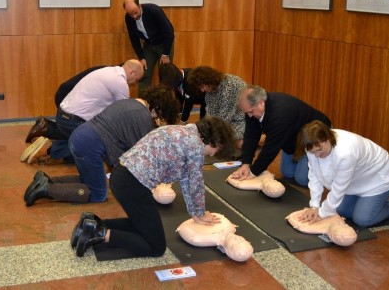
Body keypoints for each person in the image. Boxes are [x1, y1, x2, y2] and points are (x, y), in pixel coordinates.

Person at [71, 116, 236, 258]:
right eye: (216, 149)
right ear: (212, 140)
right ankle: (99, 234)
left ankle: (91, 223)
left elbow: (187, 178)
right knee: (156, 247)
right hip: (132, 184)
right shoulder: (195, 146)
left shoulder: (184, 131)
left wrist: (196, 212)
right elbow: (195, 181)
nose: (213, 154)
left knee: (141, 225)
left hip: (122, 176)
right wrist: (200, 212)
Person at [24, 85, 180, 206]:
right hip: (87, 146)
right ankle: (46, 189)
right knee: (98, 194)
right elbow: (140, 155)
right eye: (160, 116)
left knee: (89, 178)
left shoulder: (131, 103)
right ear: (158, 108)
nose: (158, 119)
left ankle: (48, 180)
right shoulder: (143, 116)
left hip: (80, 137)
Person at [295, 120, 389, 227]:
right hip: (356, 179)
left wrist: (321, 212)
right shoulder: (311, 145)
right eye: (312, 152)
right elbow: (315, 175)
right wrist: (314, 205)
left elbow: (339, 187)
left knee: (362, 219)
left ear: (328, 139)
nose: (317, 155)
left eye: (319, 150)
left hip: (378, 177)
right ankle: (371, 203)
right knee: (341, 210)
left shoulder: (346, 153)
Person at [24, 60, 144, 164]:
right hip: (73, 120)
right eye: (136, 80)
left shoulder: (107, 70)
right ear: (132, 73)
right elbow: (125, 114)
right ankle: (50, 149)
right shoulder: (120, 82)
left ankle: (47, 140)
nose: (134, 83)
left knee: (92, 137)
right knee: (99, 147)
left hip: (63, 116)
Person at [231, 85, 332, 187]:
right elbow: (250, 136)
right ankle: (305, 163)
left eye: (251, 112)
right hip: (292, 137)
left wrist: (253, 172)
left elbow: (271, 147)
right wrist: (246, 163)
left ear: (261, 102)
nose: (249, 116)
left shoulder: (280, 114)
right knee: (287, 173)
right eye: (247, 112)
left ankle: (325, 168)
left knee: (302, 179)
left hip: (314, 139)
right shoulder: (252, 109)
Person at [186, 66, 246, 150]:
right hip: (226, 119)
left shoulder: (229, 87)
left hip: (241, 119)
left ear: (208, 81)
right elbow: (210, 114)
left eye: (202, 87)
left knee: (230, 142)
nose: (202, 90)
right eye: (200, 88)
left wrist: (210, 135)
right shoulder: (211, 89)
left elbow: (224, 119)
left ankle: (261, 139)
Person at [123, 0, 175, 91]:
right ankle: (142, 103)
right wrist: (141, 57)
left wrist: (165, 54)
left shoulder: (154, 11)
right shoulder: (128, 18)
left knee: (166, 75)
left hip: (164, 44)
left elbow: (169, 33)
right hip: (149, 45)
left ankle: (165, 103)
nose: (134, 16)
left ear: (139, 6)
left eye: (135, 12)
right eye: (131, 14)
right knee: (144, 73)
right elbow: (133, 38)